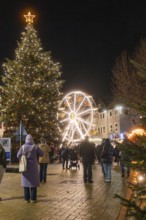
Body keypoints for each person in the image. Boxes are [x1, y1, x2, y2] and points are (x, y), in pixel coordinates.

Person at [17, 134, 44, 203]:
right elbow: (42, 154)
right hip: (33, 166)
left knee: (26, 182)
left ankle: (26, 199)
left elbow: (18, 155)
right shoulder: (35, 147)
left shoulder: (22, 147)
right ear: (32, 139)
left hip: (25, 166)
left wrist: (22, 158)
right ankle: (33, 199)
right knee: (33, 182)